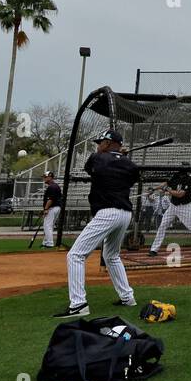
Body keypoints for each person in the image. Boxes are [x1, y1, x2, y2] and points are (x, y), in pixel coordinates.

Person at [55, 130, 139, 318]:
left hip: (107, 212)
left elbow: (90, 167)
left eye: (101, 142)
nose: (98, 145)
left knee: (75, 255)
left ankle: (78, 304)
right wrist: (120, 158)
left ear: (108, 143)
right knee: (111, 256)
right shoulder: (130, 165)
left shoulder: (97, 158)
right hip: (125, 213)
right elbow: (131, 176)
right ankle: (128, 298)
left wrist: (114, 157)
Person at [148, 165, 191, 256]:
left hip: (184, 207)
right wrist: (154, 189)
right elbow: (166, 183)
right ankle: (154, 249)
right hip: (173, 206)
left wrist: (167, 190)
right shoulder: (176, 175)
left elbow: (180, 194)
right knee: (163, 225)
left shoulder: (188, 180)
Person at [41, 171, 64, 248]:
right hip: (56, 207)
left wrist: (46, 209)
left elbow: (50, 199)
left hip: (52, 208)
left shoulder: (52, 187)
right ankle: (45, 242)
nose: (44, 178)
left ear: (50, 177)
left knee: (47, 225)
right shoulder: (55, 186)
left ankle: (49, 243)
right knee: (49, 225)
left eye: (45, 177)